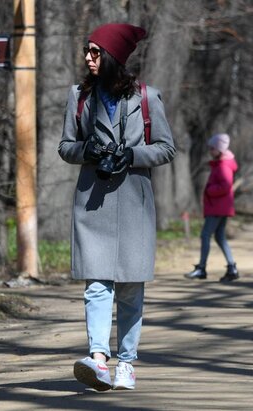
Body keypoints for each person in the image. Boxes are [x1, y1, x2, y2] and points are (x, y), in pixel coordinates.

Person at [58, 23, 175, 391]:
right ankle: (98, 360)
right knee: (96, 284)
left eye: (95, 52)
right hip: (93, 203)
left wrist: (132, 155)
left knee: (129, 288)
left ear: (113, 56)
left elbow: (166, 148)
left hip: (134, 204)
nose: (88, 58)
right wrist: (86, 150)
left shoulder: (146, 97)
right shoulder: (79, 96)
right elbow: (65, 146)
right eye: (87, 50)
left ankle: (126, 362)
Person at [183, 133, 239, 282]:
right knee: (220, 237)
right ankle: (232, 268)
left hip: (217, 207)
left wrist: (209, 190)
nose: (210, 151)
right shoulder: (221, 163)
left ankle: (202, 268)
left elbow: (226, 185)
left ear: (219, 149)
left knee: (205, 235)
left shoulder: (223, 165)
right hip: (219, 207)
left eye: (212, 148)